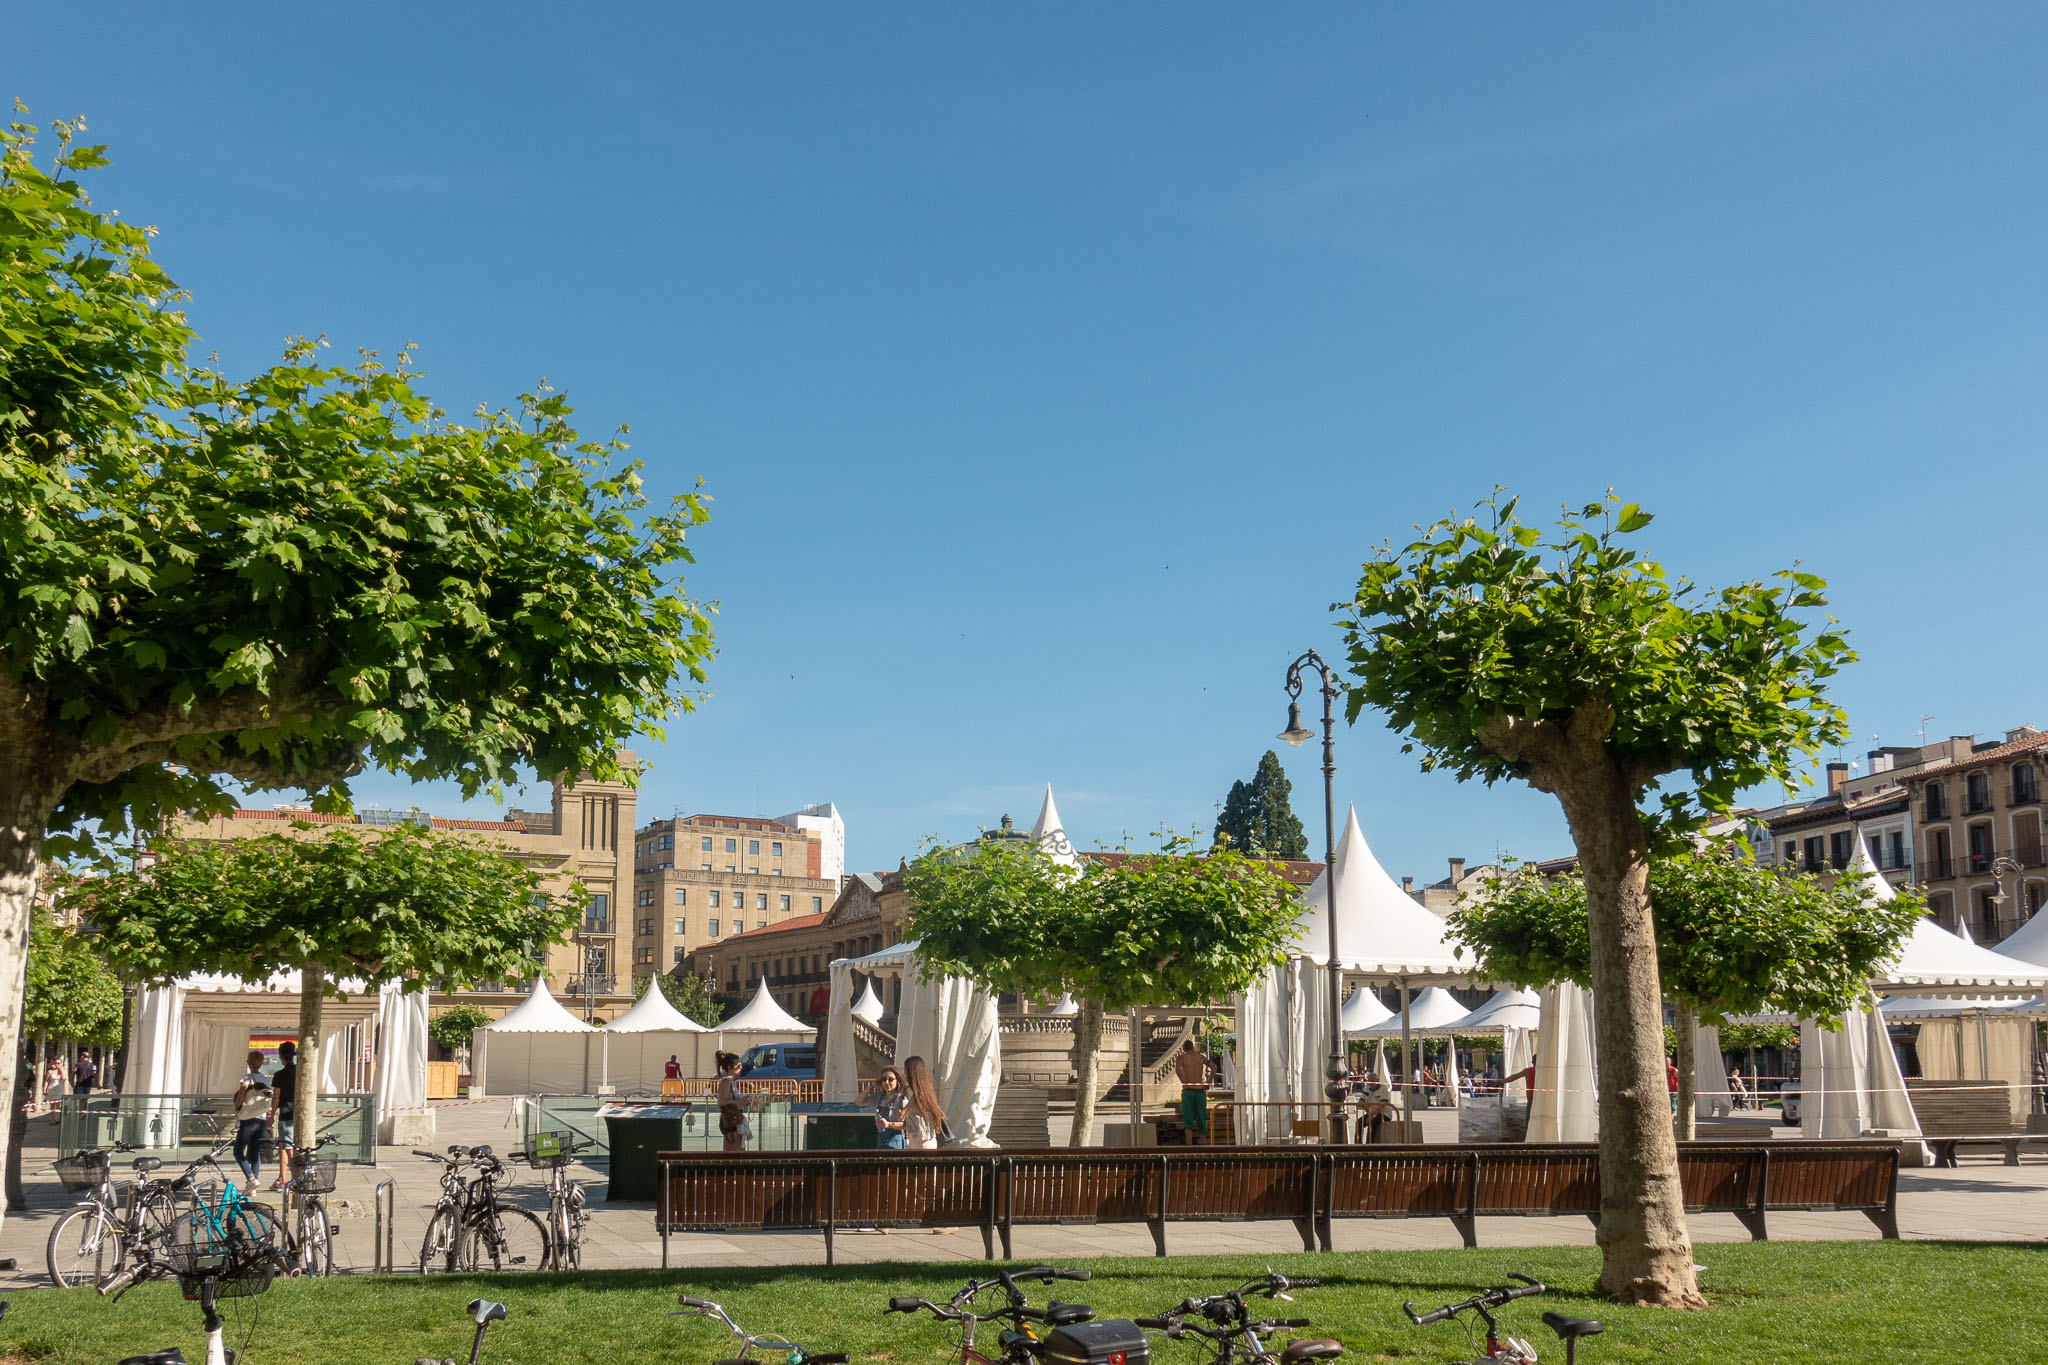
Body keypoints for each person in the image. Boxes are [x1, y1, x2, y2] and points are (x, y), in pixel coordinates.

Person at [232, 1051, 272, 1184]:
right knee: (254, 1153)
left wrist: (237, 1107)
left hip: (248, 1119)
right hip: (261, 1119)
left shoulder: (246, 1078)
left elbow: (241, 1095)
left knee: (238, 1151)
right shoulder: (265, 1079)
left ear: (249, 1062)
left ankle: (251, 1178)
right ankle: (253, 1183)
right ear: (261, 1063)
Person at [900, 1055, 948, 1150]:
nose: (903, 1074)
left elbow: (901, 1116)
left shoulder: (916, 1095)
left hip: (919, 1143)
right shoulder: (927, 1091)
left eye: (904, 1070)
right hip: (929, 1140)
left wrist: (900, 1097)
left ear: (910, 1072)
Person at [269, 1040, 298, 1190]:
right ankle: (282, 1178)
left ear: (281, 1056)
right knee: (283, 1145)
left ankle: (295, 1177)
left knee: (286, 1147)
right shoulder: (300, 1072)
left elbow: (276, 1097)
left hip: (286, 1114)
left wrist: (271, 1115)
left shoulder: (279, 1074)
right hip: (299, 1114)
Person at [1173, 1041, 1212, 1143]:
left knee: (1188, 1121)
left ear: (1184, 1048)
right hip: (1200, 1091)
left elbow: (1177, 1069)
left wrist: (1183, 1081)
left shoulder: (1181, 1058)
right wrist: (1208, 1082)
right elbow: (1214, 1067)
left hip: (1188, 1091)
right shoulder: (1201, 1057)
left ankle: (1189, 1146)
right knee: (1201, 1119)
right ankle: (1203, 1145)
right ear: (1193, 1047)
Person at [864, 1067, 909, 1149]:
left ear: (897, 1081)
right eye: (884, 1079)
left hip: (895, 1143)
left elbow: (908, 1124)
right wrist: (870, 1086)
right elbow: (858, 1101)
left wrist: (889, 1124)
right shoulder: (879, 1098)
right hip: (881, 1141)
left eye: (891, 1079)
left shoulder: (901, 1100)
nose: (887, 1082)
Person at [714, 1051, 748, 1152]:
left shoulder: (731, 1081)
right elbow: (721, 1102)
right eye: (738, 1066)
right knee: (735, 1153)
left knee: (737, 1152)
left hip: (734, 1120)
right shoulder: (726, 1081)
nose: (741, 1067)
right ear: (729, 1067)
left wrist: (743, 1100)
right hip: (731, 1121)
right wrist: (739, 1102)